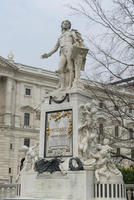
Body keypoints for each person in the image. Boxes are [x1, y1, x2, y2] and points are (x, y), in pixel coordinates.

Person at [41, 20, 85, 90]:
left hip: (69, 49)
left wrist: (77, 43)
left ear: (69, 26)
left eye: (67, 24)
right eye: (64, 24)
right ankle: (62, 86)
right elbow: (55, 48)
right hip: (62, 52)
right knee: (60, 69)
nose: (65, 25)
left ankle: (70, 86)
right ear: (62, 25)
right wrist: (48, 55)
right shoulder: (60, 37)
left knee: (70, 68)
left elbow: (77, 40)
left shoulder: (71, 32)